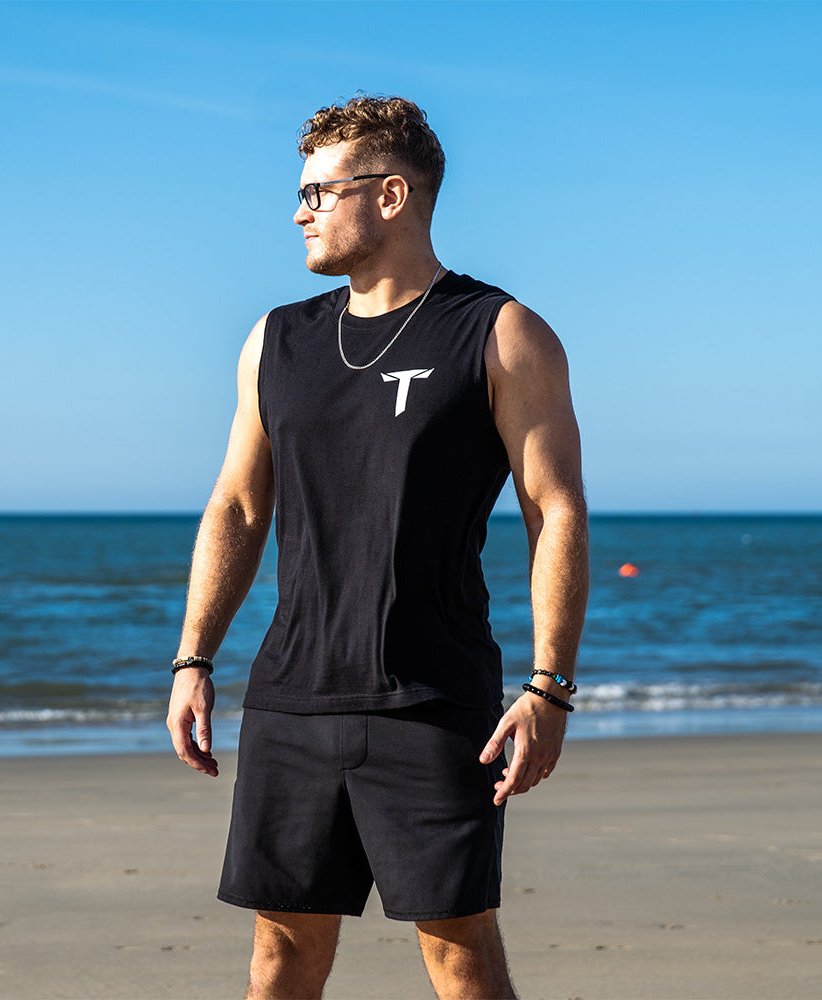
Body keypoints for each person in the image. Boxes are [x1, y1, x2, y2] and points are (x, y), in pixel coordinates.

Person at [166, 94, 589, 1000]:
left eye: (318, 192)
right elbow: (238, 505)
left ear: (390, 195)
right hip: (293, 697)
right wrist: (192, 657)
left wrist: (549, 686)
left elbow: (554, 510)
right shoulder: (276, 340)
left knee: (460, 953)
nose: (300, 212)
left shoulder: (499, 331)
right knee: (280, 956)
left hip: (432, 700)